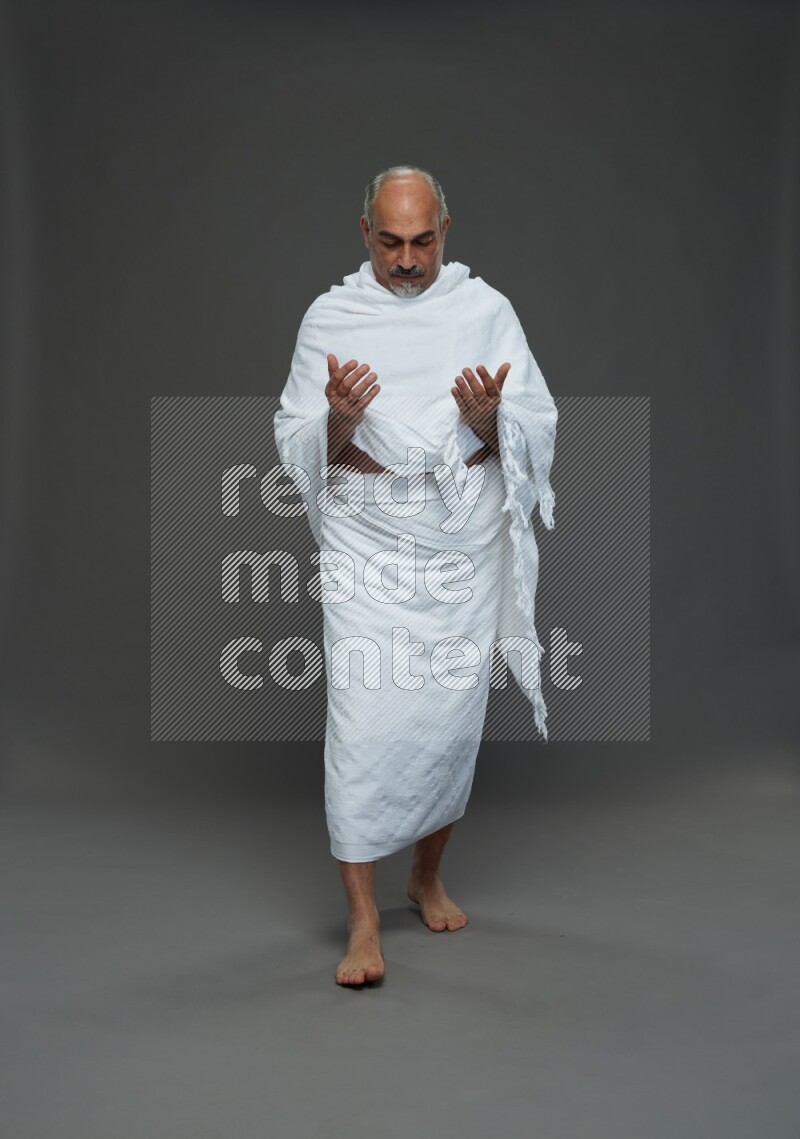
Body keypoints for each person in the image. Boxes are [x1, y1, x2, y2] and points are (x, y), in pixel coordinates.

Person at [274, 165, 557, 986]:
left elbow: (535, 422)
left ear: (446, 230)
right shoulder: (330, 317)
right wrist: (340, 418)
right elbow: (296, 444)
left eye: (422, 241)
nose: (407, 259)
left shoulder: (485, 312)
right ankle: (363, 923)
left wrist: (488, 421)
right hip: (368, 546)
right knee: (362, 725)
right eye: (391, 242)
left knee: (447, 725)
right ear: (364, 232)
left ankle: (426, 873)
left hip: (459, 545)